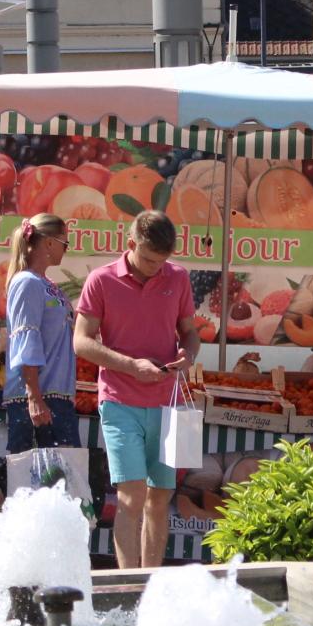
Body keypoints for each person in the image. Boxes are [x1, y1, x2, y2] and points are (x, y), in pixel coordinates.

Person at [74, 210, 200, 571]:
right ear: (130, 245)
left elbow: (189, 332)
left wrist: (187, 355)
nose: (154, 268)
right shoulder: (101, 281)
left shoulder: (177, 278)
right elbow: (81, 342)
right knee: (131, 496)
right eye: (147, 259)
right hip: (119, 402)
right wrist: (131, 366)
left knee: (160, 497)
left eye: (162, 261)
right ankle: (128, 583)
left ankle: (151, 579)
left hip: (168, 403)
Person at [3, 213, 80, 455]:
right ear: (48, 243)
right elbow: (27, 341)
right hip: (40, 396)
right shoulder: (27, 282)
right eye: (64, 243)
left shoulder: (46, 284)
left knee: (61, 478)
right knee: (36, 480)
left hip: (56, 394)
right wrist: (34, 398)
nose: (66, 250)